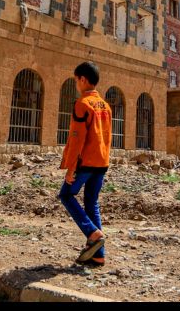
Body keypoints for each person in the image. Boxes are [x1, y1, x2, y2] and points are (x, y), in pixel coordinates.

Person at [58, 61, 112, 266]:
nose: (76, 85)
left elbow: (77, 138)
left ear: (82, 79)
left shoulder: (82, 104)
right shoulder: (105, 106)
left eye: (76, 81)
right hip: (101, 162)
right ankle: (98, 255)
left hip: (85, 163)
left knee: (66, 195)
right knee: (91, 203)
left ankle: (92, 233)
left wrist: (71, 167)